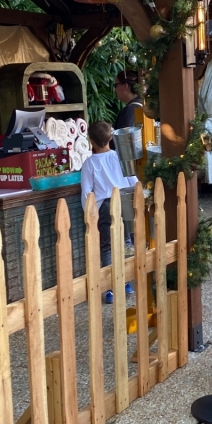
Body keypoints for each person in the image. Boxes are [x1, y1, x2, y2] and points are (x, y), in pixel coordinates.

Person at [81, 121, 138, 302]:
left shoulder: (89, 163)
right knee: (126, 242)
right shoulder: (120, 157)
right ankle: (126, 282)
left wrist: (89, 214)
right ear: (111, 137)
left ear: (91, 141)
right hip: (124, 201)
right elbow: (133, 180)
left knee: (107, 246)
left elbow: (86, 192)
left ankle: (110, 288)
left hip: (104, 206)